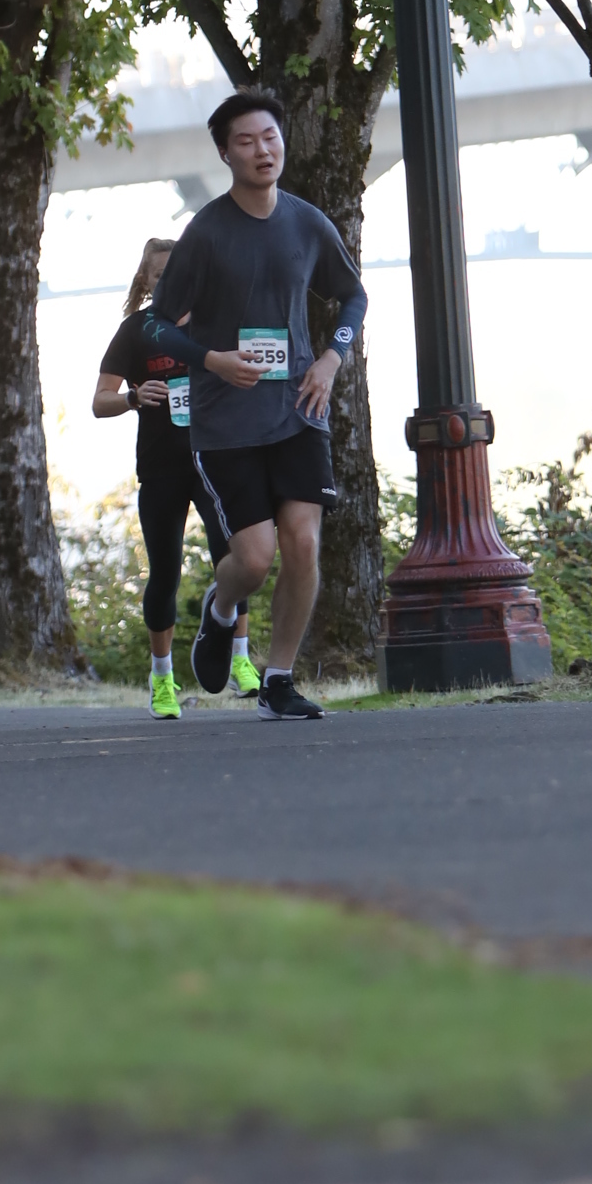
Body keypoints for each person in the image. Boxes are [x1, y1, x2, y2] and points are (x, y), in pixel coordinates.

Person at [148, 87, 365, 722]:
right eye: (246, 141)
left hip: (298, 409)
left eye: (270, 137)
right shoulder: (207, 232)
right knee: (253, 558)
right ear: (226, 154)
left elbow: (353, 297)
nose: (262, 150)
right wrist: (211, 359)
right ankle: (220, 610)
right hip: (225, 422)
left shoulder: (306, 222)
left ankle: (278, 681)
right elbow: (156, 326)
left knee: (302, 544)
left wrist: (330, 358)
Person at [93, 234, 259, 720]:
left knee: (236, 559)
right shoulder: (136, 331)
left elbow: (248, 378)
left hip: (215, 462)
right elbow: (99, 401)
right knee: (164, 573)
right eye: (159, 275)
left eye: (176, 274)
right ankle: (162, 678)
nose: (169, 282)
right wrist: (132, 397)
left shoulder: (214, 324)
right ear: (146, 281)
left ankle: (240, 660)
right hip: (162, 468)